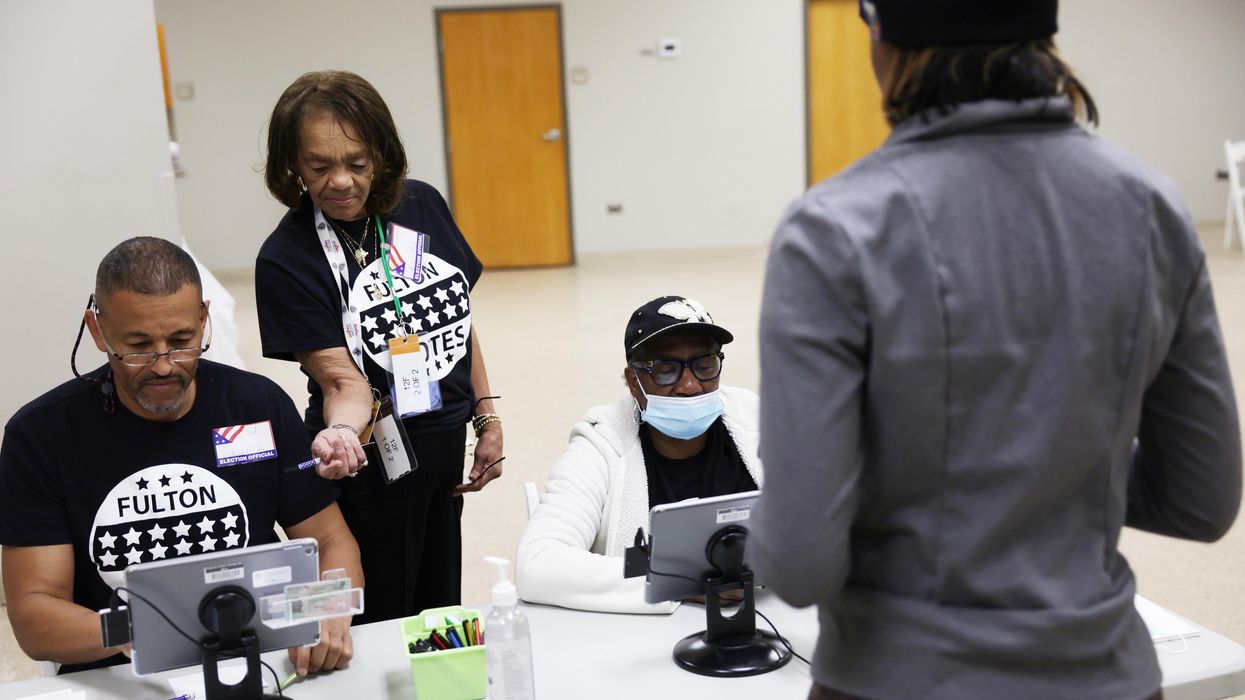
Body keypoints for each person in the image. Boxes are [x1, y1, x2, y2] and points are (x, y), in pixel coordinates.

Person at [749, 2, 1243, 700]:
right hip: (1106, 679)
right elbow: (1201, 499)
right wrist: (1061, 464)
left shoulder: (833, 228)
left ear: (886, 43)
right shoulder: (1151, 208)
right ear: (1043, 38)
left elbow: (798, 562)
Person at [0, 237, 362, 678]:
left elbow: (330, 541)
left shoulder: (256, 405)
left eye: (182, 340)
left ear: (203, 319)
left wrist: (326, 609)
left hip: (263, 657)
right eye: (137, 346)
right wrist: (145, 627)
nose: (164, 365)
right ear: (97, 330)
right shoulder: (41, 436)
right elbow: (35, 615)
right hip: (120, 671)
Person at [255, 70, 502, 624]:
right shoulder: (287, 258)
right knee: (382, 612)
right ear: (292, 164)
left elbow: (456, 319)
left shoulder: (421, 207)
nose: (340, 181)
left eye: (358, 163)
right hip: (367, 456)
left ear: (382, 155)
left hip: (442, 438)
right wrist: (341, 433)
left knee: (439, 605)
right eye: (319, 167)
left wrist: (486, 418)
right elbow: (341, 380)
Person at [516, 296, 762, 613]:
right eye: (665, 371)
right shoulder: (601, 443)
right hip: (639, 640)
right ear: (634, 382)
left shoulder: (755, 420)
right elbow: (537, 564)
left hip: (768, 621)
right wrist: (687, 582)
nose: (690, 385)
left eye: (704, 366)